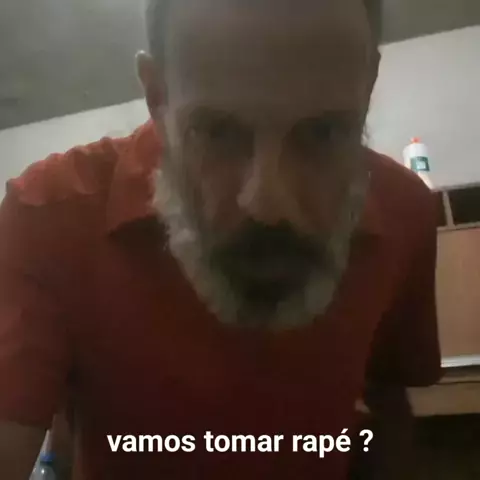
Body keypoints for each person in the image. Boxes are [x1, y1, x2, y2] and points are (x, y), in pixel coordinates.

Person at [0, 0, 442, 479]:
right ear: (157, 96)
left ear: (368, 84)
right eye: (216, 131)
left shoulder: (407, 214)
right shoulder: (50, 215)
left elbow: (387, 400)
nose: (267, 205)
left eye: (323, 132)